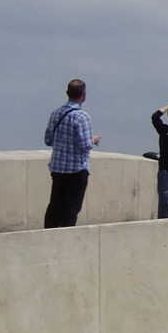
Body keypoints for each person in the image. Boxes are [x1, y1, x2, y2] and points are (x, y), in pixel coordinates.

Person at [43, 78, 97, 228]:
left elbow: (48, 140)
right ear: (83, 95)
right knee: (72, 207)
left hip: (58, 167)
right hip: (77, 169)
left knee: (55, 204)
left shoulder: (56, 114)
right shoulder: (82, 116)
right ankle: (66, 235)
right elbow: (84, 145)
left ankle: (49, 234)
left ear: (67, 93)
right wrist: (92, 140)